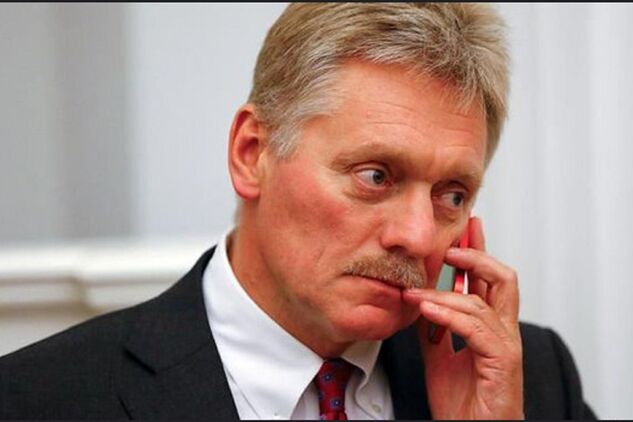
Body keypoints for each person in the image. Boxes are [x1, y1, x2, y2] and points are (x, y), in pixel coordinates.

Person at [0, 4, 596, 420]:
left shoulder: (526, 381)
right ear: (251, 154)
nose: (418, 237)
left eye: (452, 195)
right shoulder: (40, 399)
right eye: (375, 176)